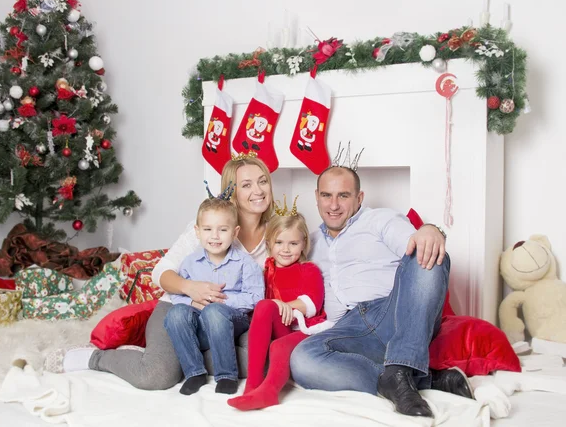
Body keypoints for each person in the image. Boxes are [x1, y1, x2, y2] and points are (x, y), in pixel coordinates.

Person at [44, 156, 274, 391]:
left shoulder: (276, 235)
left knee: (261, 362)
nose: (257, 190)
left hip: (231, 318)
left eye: (262, 181)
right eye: (246, 185)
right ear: (232, 191)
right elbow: (160, 272)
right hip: (181, 308)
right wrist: (189, 288)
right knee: (157, 375)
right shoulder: (208, 227)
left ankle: (186, 357)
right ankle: (96, 358)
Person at [289, 165, 473, 418]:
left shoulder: (380, 220)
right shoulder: (308, 243)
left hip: (393, 314)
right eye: (326, 195)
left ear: (359, 198)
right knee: (302, 358)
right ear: (316, 196)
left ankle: (402, 366)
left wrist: (431, 230)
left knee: (428, 255)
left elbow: (417, 245)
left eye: (343, 195)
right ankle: (416, 380)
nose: (333, 204)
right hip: (349, 330)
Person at [228, 207, 327, 410]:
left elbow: (312, 303)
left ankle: (269, 393)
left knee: (278, 347)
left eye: (293, 243)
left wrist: (283, 305)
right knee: (264, 306)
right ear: (269, 244)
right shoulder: (265, 272)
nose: (286, 249)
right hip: (280, 327)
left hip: (304, 330)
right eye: (279, 243)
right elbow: (258, 306)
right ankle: (252, 385)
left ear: (304, 245)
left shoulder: (308, 269)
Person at [165, 197, 263, 395]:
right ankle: (195, 372)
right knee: (175, 313)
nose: (215, 236)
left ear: (235, 232)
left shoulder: (245, 262)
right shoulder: (191, 262)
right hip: (200, 321)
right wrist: (193, 301)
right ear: (198, 231)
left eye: (223, 229)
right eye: (208, 229)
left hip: (232, 320)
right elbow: (176, 295)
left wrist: (219, 301)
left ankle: (226, 375)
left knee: (215, 312)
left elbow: (256, 297)